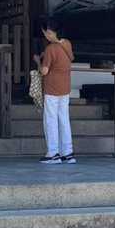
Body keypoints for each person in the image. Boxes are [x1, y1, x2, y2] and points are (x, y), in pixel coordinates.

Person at [34, 20, 75, 164]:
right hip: (65, 87)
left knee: (50, 120)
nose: (45, 35)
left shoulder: (51, 49)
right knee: (64, 119)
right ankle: (67, 153)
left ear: (50, 33)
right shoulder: (67, 43)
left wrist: (38, 61)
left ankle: (53, 153)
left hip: (52, 88)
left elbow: (44, 71)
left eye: (45, 33)